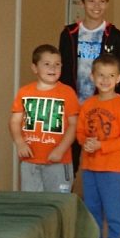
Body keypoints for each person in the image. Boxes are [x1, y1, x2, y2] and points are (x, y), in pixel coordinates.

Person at [74, 55, 120, 238]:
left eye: (111, 76)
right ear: (92, 77)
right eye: (101, 75)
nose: (105, 80)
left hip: (112, 169)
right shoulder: (88, 104)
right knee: (92, 210)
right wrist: (86, 143)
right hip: (90, 167)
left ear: (118, 79)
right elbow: (80, 132)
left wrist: (102, 146)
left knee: (113, 210)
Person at [11, 45, 75, 194]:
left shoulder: (67, 93)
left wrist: (61, 149)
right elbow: (14, 121)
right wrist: (20, 143)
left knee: (58, 202)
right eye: (47, 64)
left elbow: (73, 125)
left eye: (57, 64)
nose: (53, 68)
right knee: (32, 203)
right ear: (35, 68)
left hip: (59, 161)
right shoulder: (24, 92)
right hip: (30, 161)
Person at [57, 0, 120, 103]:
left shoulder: (115, 36)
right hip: (72, 104)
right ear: (82, 3)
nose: (96, 6)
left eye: (101, 1)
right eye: (91, 0)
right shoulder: (68, 34)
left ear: (107, 4)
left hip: (104, 104)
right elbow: (62, 70)